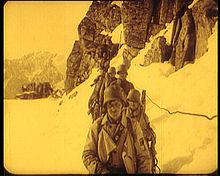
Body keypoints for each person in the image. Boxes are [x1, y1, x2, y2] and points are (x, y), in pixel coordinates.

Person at [82, 84, 152, 174]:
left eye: (117, 104)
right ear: (106, 107)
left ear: (122, 106)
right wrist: (99, 170)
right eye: (110, 105)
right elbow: (87, 154)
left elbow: (144, 157)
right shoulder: (97, 127)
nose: (113, 109)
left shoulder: (133, 126)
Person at [127, 89, 158, 173]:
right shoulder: (124, 114)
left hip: (141, 145)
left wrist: (149, 134)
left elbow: (149, 128)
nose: (133, 104)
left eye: (135, 102)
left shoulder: (143, 116)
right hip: (128, 146)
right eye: (131, 101)